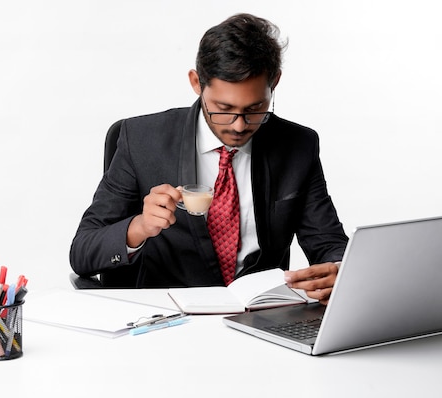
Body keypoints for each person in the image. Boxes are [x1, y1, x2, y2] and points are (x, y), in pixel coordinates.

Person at [70, 13, 348, 304]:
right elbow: (82, 252)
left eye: (255, 109)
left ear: (274, 83)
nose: (239, 126)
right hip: (170, 321)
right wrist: (139, 226)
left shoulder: (297, 145)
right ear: (196, 82)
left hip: (260, 318)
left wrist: (339, 272)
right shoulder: (141, 141)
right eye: (223, 108)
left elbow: (329, 243)